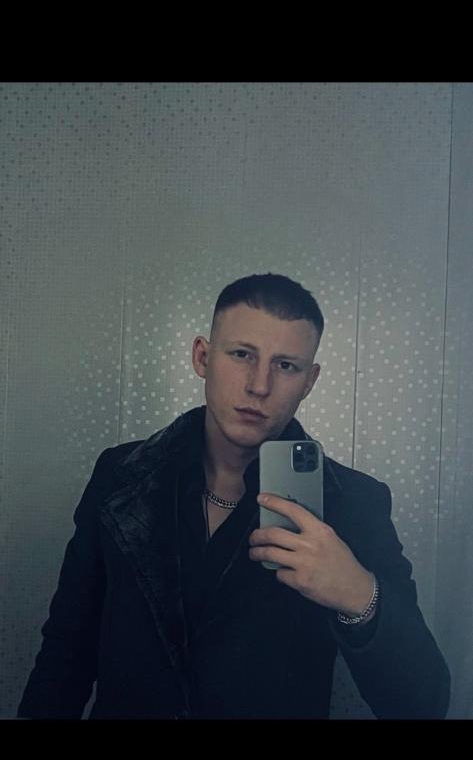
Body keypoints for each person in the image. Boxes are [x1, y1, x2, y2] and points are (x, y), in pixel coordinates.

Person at [17, 273, 451, 719]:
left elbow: (423, 704)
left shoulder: (352, 503)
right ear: (202, 357)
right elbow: (67, 650)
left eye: (286, 366)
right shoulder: (121, 476)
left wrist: (359, 595)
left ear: (309, 381)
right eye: (243, 354)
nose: (259, 385)